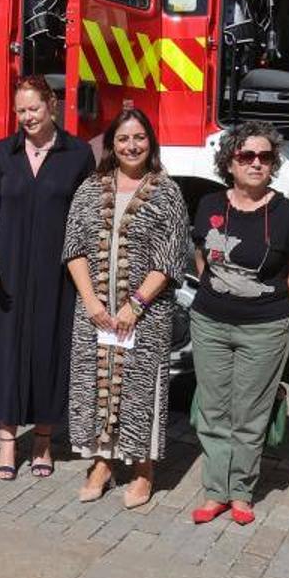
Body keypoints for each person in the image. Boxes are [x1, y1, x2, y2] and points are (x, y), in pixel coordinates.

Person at [0, 76, 95, 480]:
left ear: (52, 105)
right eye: (20, 111)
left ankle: (42, 441)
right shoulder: (3, 152)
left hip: (57, 272)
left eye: (33, 109)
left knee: (49, 352)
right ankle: (7, 443)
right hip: (8, 271)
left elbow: (87, 216)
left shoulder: (77, 154)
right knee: (6, 354)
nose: (26, 117)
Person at [62, 108, 189, 509]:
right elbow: (74, 249)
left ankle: (143, 469)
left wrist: (135, 304)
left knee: (140, 390)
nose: (131, 146)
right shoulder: (89, 188)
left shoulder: (166, 191)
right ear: (111, 145)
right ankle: (102, 463)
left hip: (145, 314)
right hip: (95, 313)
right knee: (95, 385)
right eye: (123, 139)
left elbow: (170, 259)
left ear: (150, 142)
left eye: (139, 138)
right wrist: (92, 302)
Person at [188, 122, 289, 526]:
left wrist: (272, 310)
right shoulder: (208, 204)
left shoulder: (288, 214)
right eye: (247, 156)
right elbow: (204, 259)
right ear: (230, 161)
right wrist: (219, 294)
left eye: (265, 156)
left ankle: (240, 491)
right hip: (210, 323)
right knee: (213, 408)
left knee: (250, 412)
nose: (257, 163)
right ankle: (214, 491)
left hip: (263, 327)